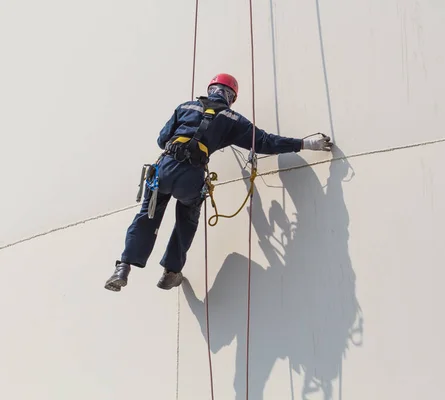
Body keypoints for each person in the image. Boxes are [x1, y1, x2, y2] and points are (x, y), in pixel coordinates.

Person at [104, 73, 333, 292]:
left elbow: (162, 139)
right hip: (191, 176)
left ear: (210, 90)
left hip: (165, 169)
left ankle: (123, 268)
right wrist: (306, 144)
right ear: (231, 97)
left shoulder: (186, 107)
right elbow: (265, 142)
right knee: (187, 219)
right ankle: (171, 272)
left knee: (148, 214)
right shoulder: (232, 119)